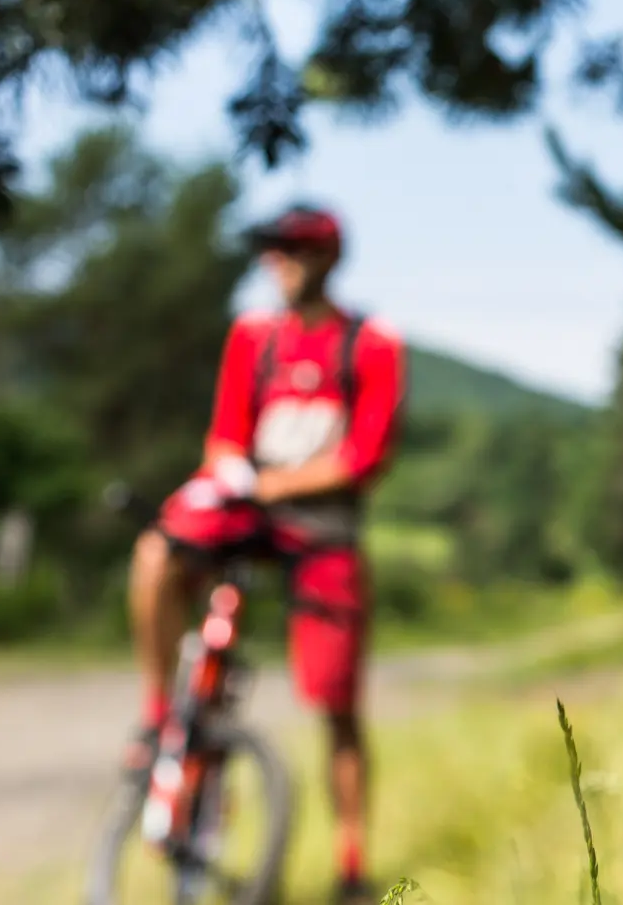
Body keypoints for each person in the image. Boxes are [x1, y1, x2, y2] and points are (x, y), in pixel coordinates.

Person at [124, 203, 405, 905]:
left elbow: (365, 456)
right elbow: (225, 433)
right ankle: (163, 716)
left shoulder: (371, 344)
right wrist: (231, 474)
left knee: (337, 699)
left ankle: (351, 862)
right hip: (246, 507)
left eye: (293, 249)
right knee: (156, 552)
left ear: (328, 257)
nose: (277, 261)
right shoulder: (255, 337)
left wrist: (276, 482)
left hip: (324, 526)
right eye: (272, 250)